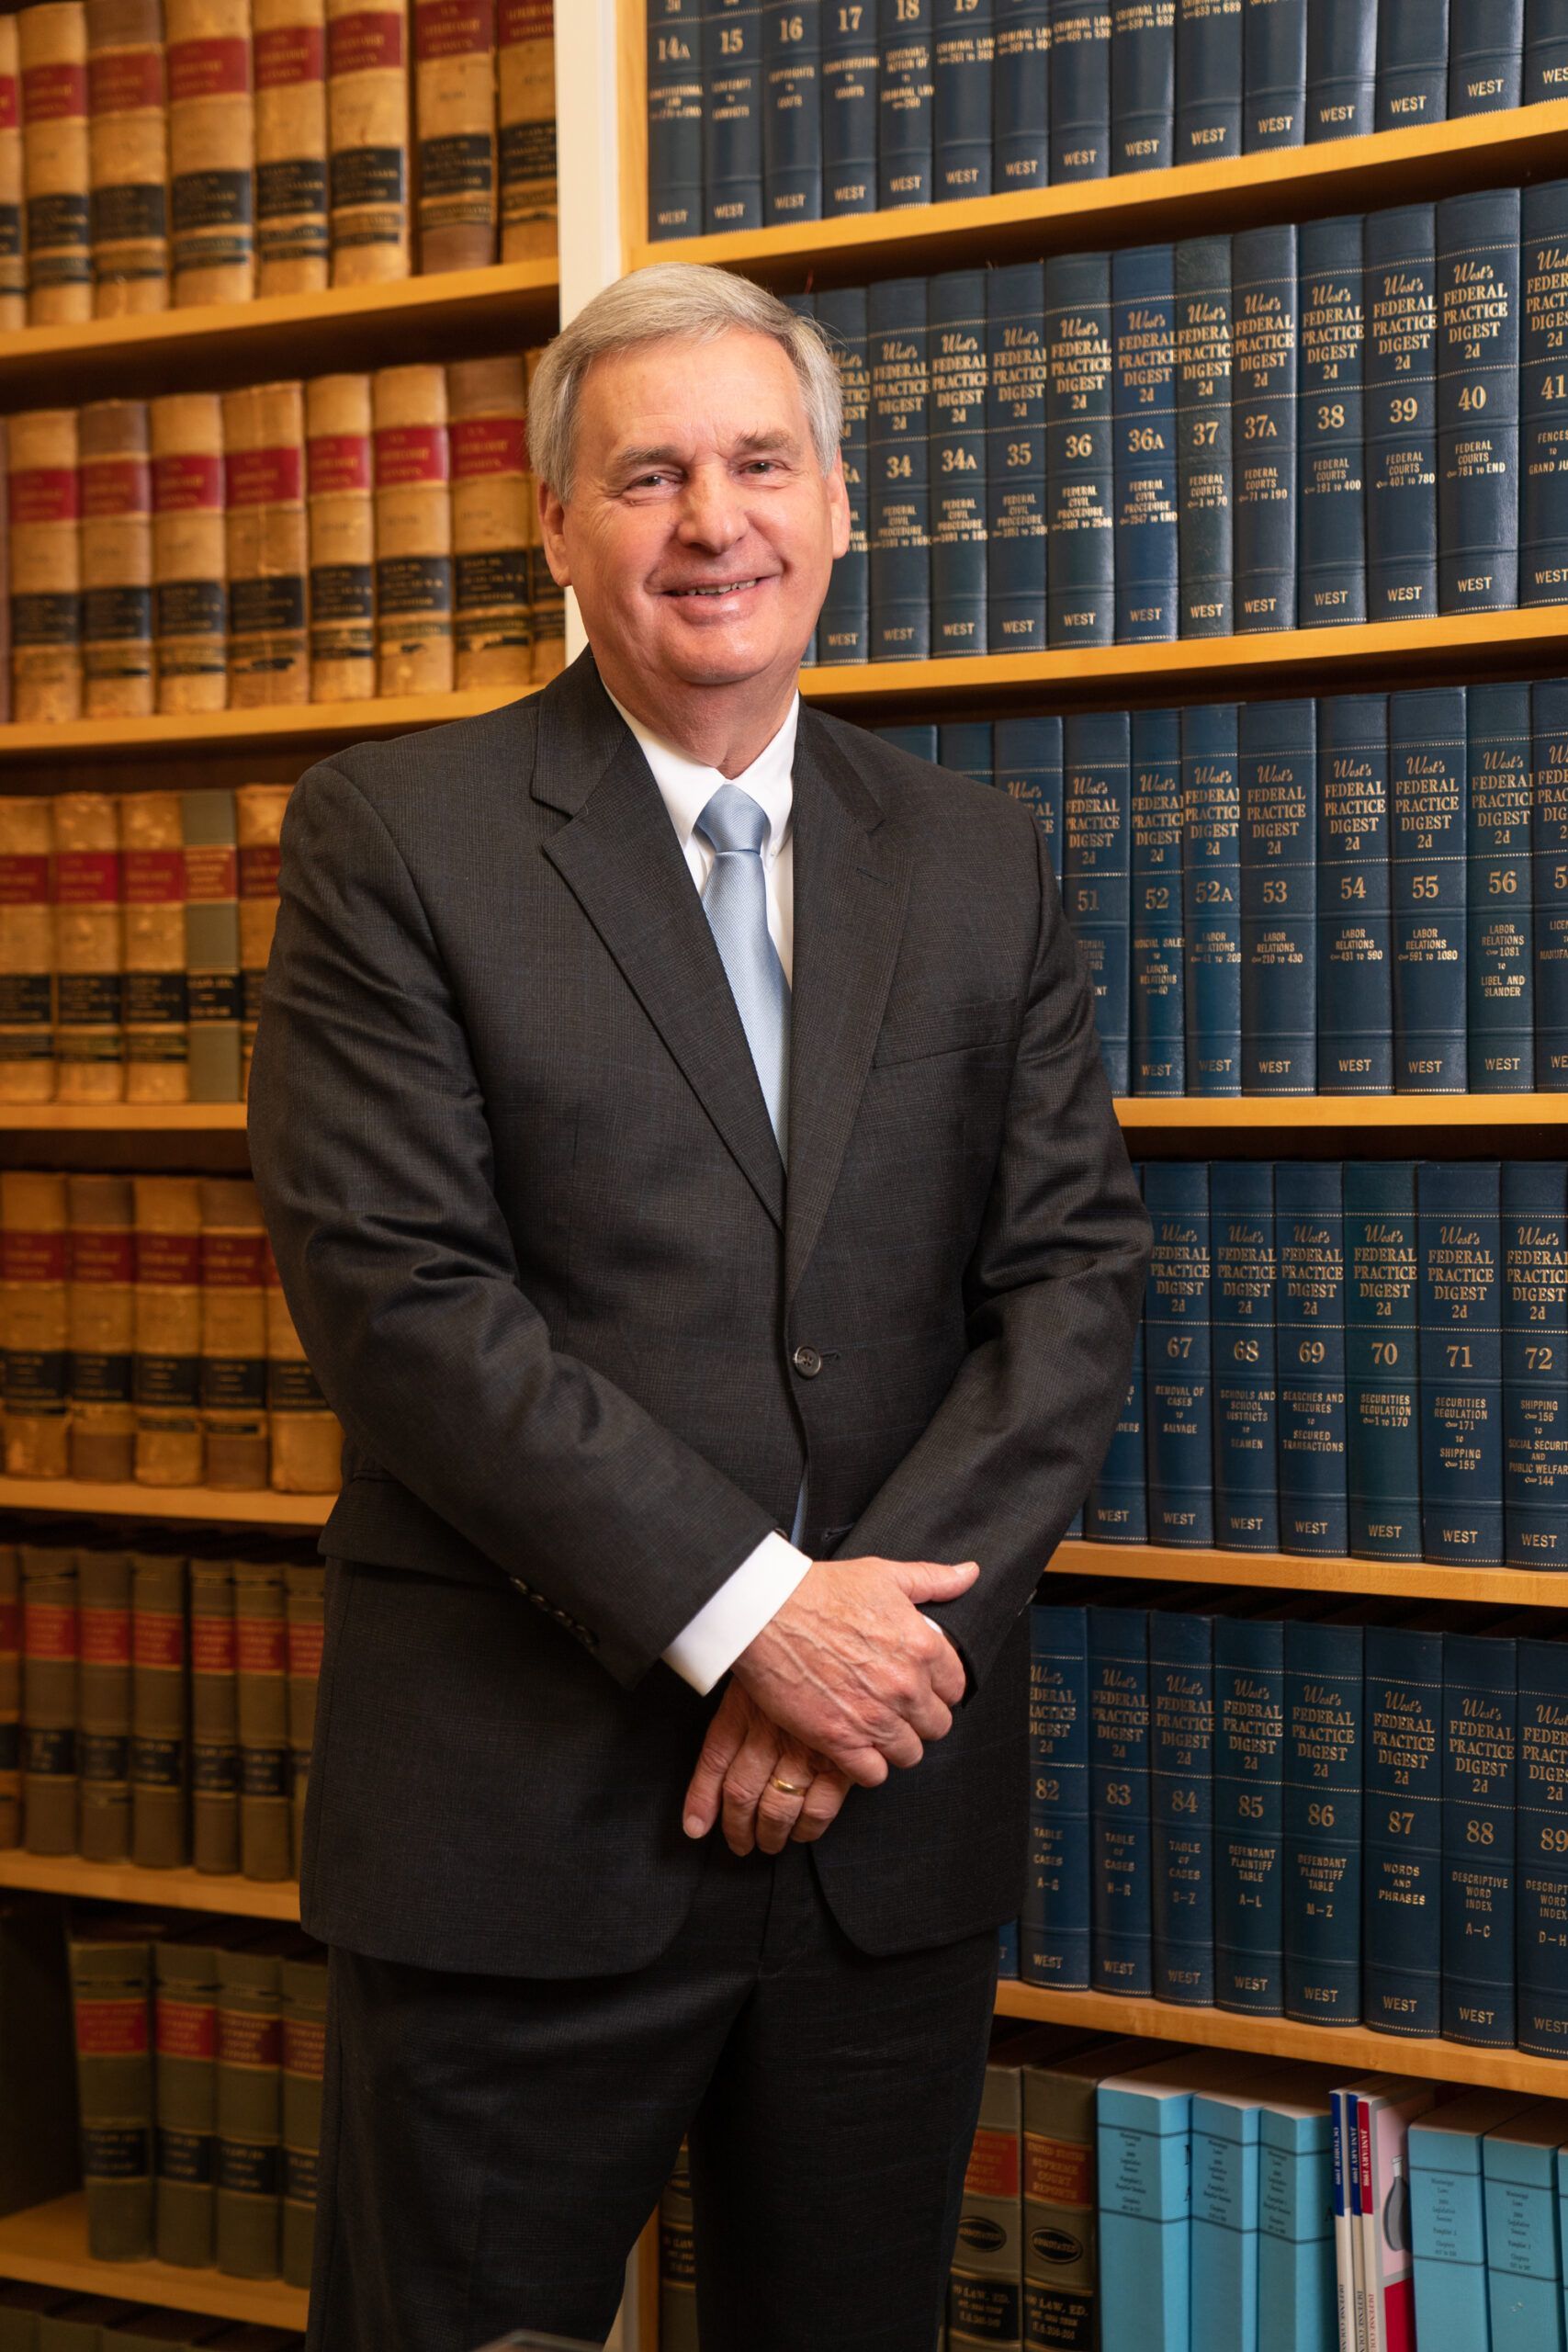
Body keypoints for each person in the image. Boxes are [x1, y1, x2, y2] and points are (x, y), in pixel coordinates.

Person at [246, 261, 1151, 2352]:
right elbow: (399, 1295)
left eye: (758, 463)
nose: (708, 521)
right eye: (642, 475)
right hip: (520, 1821)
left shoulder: (974, 854)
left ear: (841, 507)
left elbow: (1068, 1278)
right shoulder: (395, 834)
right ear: (554, 527)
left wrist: (867, 1662)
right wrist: (758, 1617)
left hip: (883, 1831)